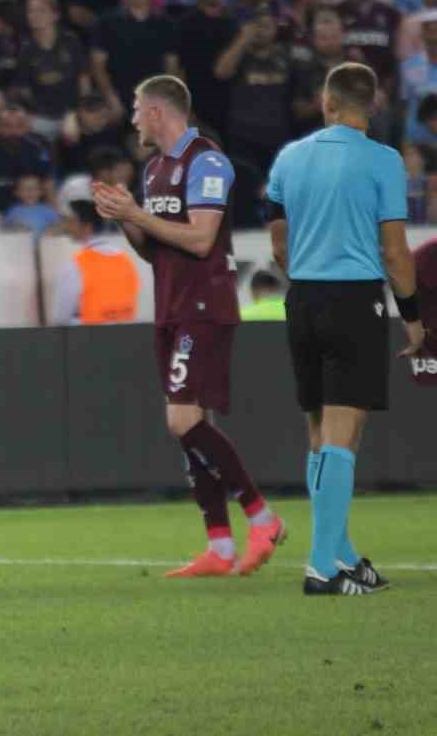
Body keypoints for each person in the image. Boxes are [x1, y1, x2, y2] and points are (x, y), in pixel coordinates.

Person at [93, 75, 283, 579]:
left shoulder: (207, 161)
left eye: (136, 108)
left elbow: (200, 239)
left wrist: (138, 213)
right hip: (171, 304)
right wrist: (124, 218)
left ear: (158, 111)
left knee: (182, 421)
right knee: (193, 428)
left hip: (204, 303)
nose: (132, 118)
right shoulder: (154, 169)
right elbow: (153, 251)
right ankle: (219, 548)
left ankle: (263, 518)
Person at [263, 62, 418, 596]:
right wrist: (414, 315)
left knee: (320, 437)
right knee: (344, 437)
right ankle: (321, 567)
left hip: (302, 298)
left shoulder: (288, 159)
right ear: (372, 107)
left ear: (326, 103)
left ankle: (344, 553)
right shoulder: (384, 161)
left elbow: (278, 246)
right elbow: (396, 251)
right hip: (353, 300)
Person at [51, 179, 139, 325]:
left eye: (71, 221)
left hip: (90, 342)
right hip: (126, 341)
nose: (67, 226)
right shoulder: (126, 261)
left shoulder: (76, 266)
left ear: (85, 225)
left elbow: (60, 320)